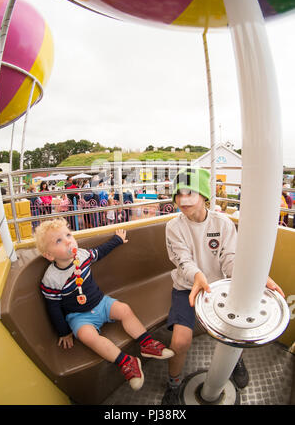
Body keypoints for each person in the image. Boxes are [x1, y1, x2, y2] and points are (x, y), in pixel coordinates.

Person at [161, 167, 285, 405]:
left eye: (190, 192)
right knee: (179, 341)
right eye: (178, 193)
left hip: (219, 287)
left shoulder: (223, 223)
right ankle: (173, 385)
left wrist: (255, 279)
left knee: (234, 332)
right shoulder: (173, 227)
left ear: (205, 195)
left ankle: (234, 359)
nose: (183, 199)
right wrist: (197, 275)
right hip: (187, 287)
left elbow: (231, 260)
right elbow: (182, 259)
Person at [36, 218, 174, 390]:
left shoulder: (82, 254)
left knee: (124, 309)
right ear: (49, 255)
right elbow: (53, 307)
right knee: (87, 336)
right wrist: (64, 332)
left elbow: (99, 252)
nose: (68, 241)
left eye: (68, 234)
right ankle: (127, 362)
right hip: (79, 316)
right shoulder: (51, 279)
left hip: (101, 303)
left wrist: (117, 240)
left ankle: (147, 343)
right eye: (59, 240)